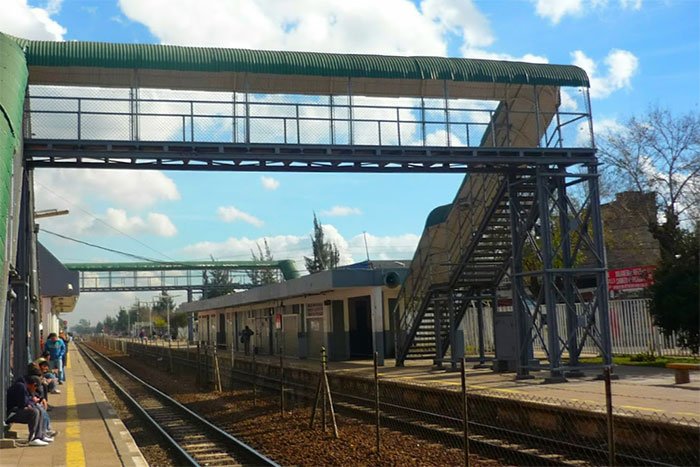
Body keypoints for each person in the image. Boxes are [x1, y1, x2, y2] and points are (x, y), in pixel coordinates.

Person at [5, 376, 53, 446]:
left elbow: (27, 400)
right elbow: (22, 403)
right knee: (34, 412)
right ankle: (33, 438)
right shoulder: (21, 387)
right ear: (33, 385)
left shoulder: (24, 386)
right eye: (35, 387)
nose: (35, 389)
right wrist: (31, 403)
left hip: (16, 410)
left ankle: (40, 435)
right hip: (11, 413)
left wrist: (33, 402)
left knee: (39, 409)